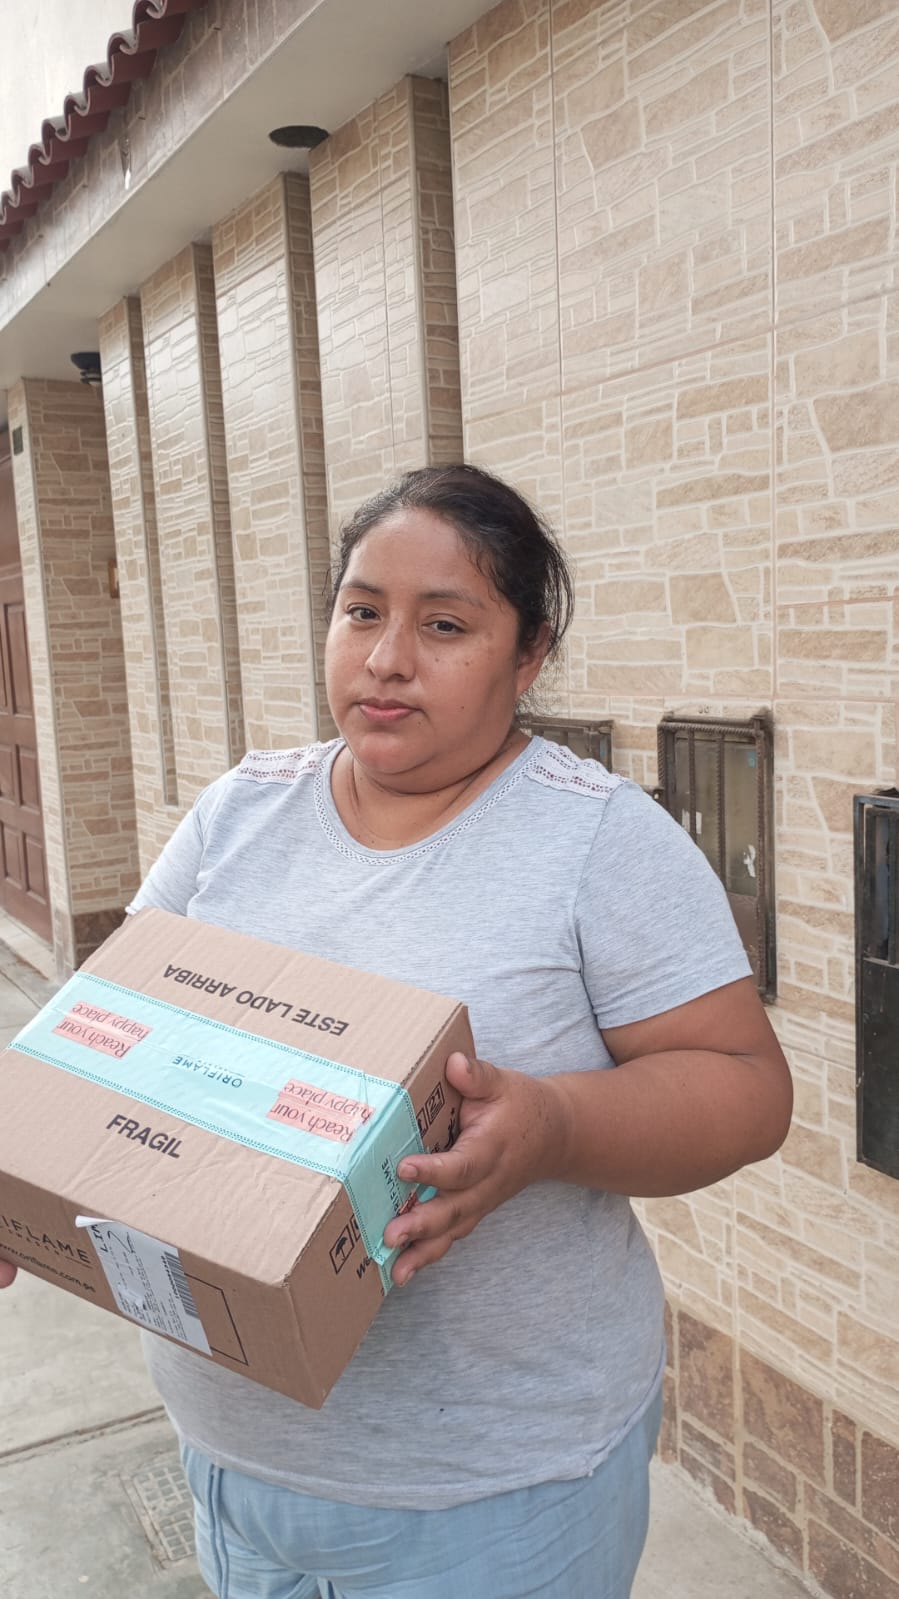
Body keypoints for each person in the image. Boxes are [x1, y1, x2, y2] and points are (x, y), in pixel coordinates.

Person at [1, 464, 792, 1598]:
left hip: (492, 1497)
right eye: (362, 611)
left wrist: (554, 1125)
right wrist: (27, 1176)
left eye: (444, 625)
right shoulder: (243, 810)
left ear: (530, 653)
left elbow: (745, 1087)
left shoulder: (596, 842)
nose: (385, 658)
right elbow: (102, 1033)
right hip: (234, 1461)